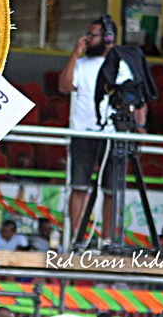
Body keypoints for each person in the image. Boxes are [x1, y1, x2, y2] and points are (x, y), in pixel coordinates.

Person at [58, 15, 142, 243]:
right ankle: (77, 239)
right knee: (79, 186)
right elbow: (64, 87)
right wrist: (75, 53)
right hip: (83, 133)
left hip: (114, 134)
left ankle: (107, 241)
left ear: (108, 38)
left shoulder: (123, 66)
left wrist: (140, 127)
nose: (86, 39)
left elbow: (139, 98)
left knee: (111, 191)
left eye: (92, 35)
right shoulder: (82, 64)